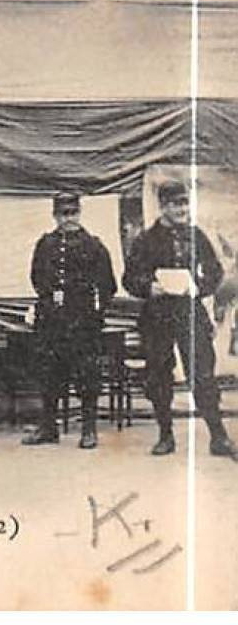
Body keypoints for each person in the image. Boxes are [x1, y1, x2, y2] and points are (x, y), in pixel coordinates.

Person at [123, 179, 235, 459]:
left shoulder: (196, 235)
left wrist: (199, 286)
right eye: (176, 204)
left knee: (203, 374)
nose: (183, 209)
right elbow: (130, 278)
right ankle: (165, 435)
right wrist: (149, 287)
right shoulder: (146, 240)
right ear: (163, 207)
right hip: (158, 316)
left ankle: (218, 436)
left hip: (190, 313)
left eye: (185, 203)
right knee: (159, 376)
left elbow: (215, 271)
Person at [24, 191, 118, 449]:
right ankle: (48, 428)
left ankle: (89, 430)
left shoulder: (94, 245)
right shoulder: (45, 244)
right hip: (52, 320)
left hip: (83, 321)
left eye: (73, 213)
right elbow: (36, 276)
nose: (69, 219)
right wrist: (48, 293)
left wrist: (95, 312)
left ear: (80, 213)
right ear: (55, 216)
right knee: (50, 375)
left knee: (87, 376)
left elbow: (108, 285)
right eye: (63, 214)